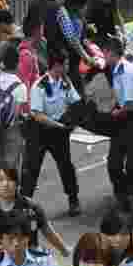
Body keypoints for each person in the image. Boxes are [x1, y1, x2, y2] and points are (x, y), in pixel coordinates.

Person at [22, 52, 82, 217]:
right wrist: (59, 126)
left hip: (59, 132)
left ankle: (73, 200)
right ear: (57, 65)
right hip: (39, 131)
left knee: (66, 166)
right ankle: (24, 205)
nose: (68, 67)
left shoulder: (65, 83)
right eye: (66, 64)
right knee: (31, 168)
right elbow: (37, 115)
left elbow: (76, 101)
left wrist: (71, 121)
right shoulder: (40, 85)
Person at [102, 37, 133, 215]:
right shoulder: (116, 70)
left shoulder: (126, 71)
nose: (103, 57)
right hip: (124, 119)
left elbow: (130, 104)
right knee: (113, 163)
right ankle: (123, 197)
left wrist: (115, 112)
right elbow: (120, 97)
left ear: (111, 53)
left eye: (105, 53)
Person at [0, 42, 30, 174]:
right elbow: (22, 112)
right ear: (18, 63)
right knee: (11, 164)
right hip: (13, 129)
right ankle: (11, 191)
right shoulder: (20, 86)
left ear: (3, 63)